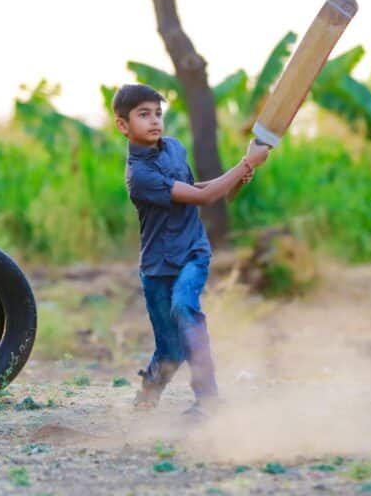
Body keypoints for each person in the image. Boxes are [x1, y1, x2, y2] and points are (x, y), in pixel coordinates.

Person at [112, 83, 270, 419]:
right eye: (143, 115)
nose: (154, 121)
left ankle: (208, 401)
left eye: (158, 113)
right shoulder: (138, 175)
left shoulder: (174, 148)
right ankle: (148, 395)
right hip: (156, 266)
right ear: (123, 125)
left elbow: (194, 189)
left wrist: (239, 175)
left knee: (186, 309)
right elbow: (203, 197)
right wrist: (244, 164)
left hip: (192, 253)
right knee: (170, 348)